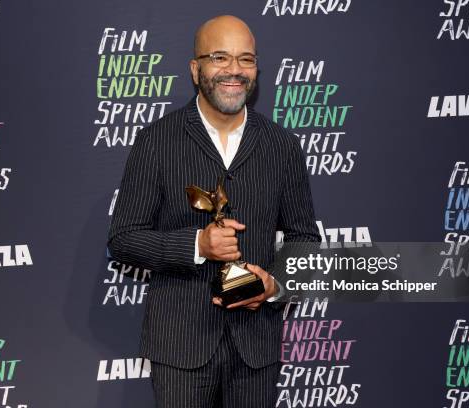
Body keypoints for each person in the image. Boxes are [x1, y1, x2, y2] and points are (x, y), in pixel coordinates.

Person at [108, 15, 320, 408]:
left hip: (256, 348)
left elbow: (305, 240)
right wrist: (197, 245)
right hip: (180, 345)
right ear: (196, 68)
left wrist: (273, 286)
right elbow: (123, 239)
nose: (234, 71)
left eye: (246, 59)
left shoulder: (282, 146)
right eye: (220, 57)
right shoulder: (157, 140)